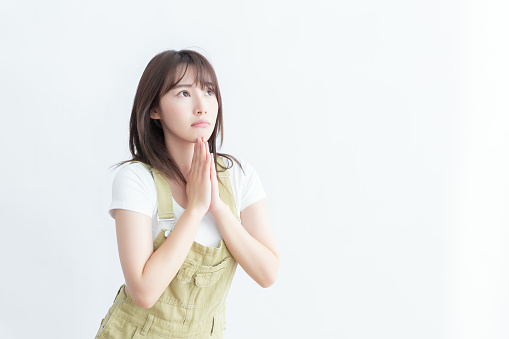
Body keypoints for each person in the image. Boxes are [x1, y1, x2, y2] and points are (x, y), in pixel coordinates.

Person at [95, 49, 280, 339]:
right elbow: (144, 292)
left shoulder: (239, 175)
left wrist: (217, 207)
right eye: (183, 93)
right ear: (154, 109)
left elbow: (267, 272)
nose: (201, 106)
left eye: (208, 91)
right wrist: (194, 210)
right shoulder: (136, 180)